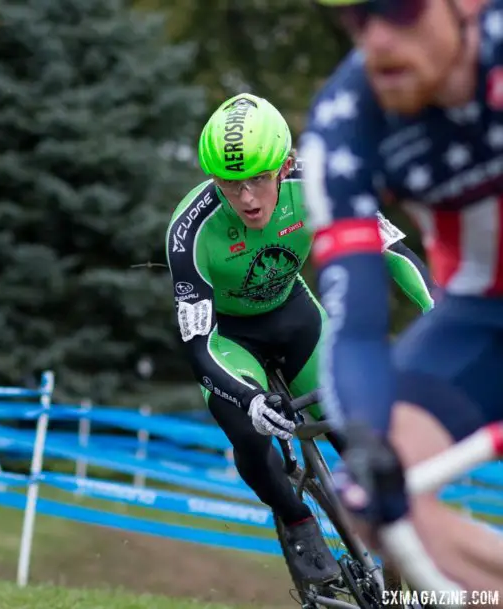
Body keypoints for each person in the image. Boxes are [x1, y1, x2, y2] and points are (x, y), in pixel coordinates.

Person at [165, 92, 435, 586]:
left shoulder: (321, 181)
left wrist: (439, 311)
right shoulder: (190, 232)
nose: (246, 198)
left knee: (358, 431)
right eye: (230, 184)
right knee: (248, 432)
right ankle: (295, 519)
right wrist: (247, 399)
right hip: (230, 340)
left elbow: (391, 250)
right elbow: (198, 343)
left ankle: (394, 553)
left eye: (260, 180)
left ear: (286, 165)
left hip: (294, 319)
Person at [300, 0, 503, 591]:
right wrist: (364, 435)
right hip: (480, 319)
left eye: (402, 10)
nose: (379, 40)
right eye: (358, 20)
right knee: (371, 499)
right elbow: (356, 325)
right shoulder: (345, 123)